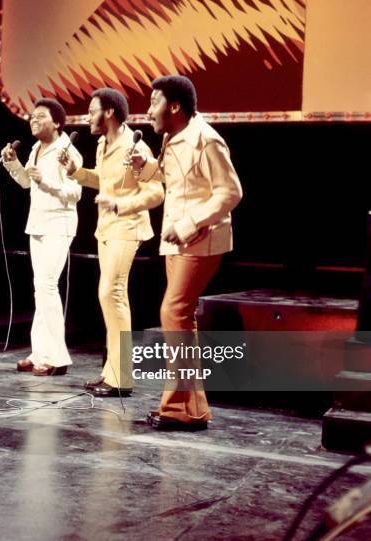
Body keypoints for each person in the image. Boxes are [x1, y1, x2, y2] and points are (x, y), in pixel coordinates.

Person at [131, 75, 243, 429]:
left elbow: (230, 193)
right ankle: (191, 409)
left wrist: (190, 223)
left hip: (200, 238)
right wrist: (146, 169)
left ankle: (180, 408)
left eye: (154, 102)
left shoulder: (206, 141)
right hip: (177, 239)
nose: (148, 111)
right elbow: (173, 179)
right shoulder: (171, 137)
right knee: (181, 317)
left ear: (174, 106)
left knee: (173, 310)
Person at [59, 88, 164, 396]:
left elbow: (157, 192)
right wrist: (76, 173)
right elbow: (104, 182)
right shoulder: (104, 143)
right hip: (106, 228)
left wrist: (122, 205)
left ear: (109, 112)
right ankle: (112, 372)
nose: (88, 117)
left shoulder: (135, 147)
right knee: (111, 298)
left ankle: (121, 378)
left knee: (111, 293)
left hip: (127, 226)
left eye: (92, 111)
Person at [1, 98, 83, 376]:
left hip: (59, 223)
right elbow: (27, 182)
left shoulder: (67, 151)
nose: (33, 120)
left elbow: (75, 193)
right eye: (32, 116)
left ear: (57, 122)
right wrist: (13, 166)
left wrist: (45, 182)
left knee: (47, 286)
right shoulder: (36, 148)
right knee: (41, 289)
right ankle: (40, 352)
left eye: (41, 116)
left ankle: (57, 358)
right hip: (37, 223)